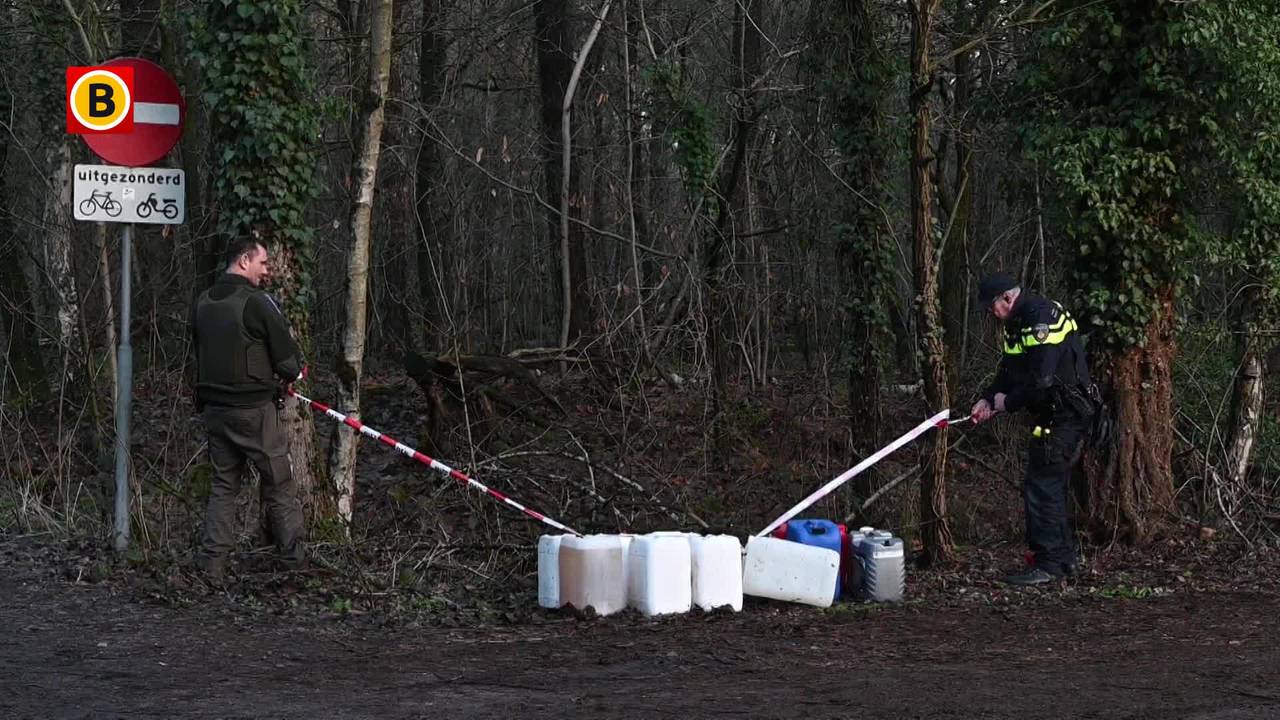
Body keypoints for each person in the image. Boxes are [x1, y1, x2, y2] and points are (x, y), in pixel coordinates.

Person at [190, 237, 306, 581]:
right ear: (244, 261)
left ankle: (212, 566)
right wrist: (296, 373)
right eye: (263, 263)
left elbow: (196, 354)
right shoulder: (257, 302)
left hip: (214, 410)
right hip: (254, 410)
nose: (266, 270)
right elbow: (288, 362)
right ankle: (293, 563)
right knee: (279, 484)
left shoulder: (203, 301)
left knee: (223, 486)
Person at [970, 272, 1095, 586]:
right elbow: (1010, 371)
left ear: (1007, 298)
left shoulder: (1040, 318)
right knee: (1046, 484)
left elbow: (1042, 381)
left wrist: (1007, 403)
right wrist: (988, 398)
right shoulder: (1017, 324)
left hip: (1065, 414)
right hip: (1050, 416)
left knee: (1042, 486)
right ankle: (1063, 559)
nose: (991, 313)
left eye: (992, 306)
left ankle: (1050, 564)